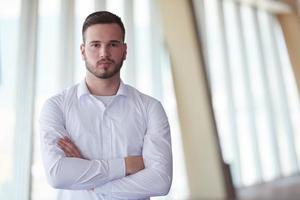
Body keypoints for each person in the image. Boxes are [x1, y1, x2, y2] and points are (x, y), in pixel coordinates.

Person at [39, 11, 172, 200]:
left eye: (113, 44)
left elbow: (160, 181)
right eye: (95, 45)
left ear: (124, 51)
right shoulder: (56, 107)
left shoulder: (150, 108)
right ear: (83, 50)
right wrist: (127, 165)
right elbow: (57, 175)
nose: (104, 53)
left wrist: (91, 182)